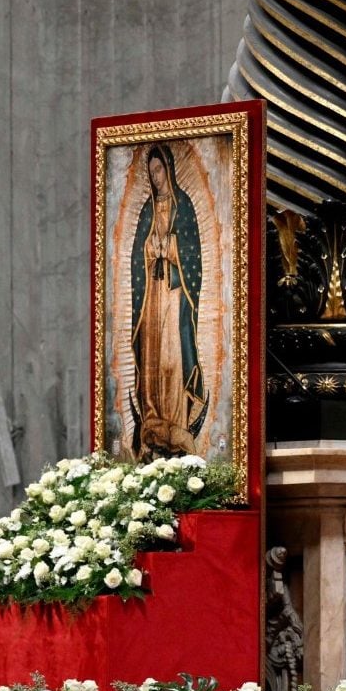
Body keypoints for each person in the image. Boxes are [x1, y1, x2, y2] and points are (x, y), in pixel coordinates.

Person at [131, 142, 209, 458]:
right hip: (152, 295)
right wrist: (151, 250)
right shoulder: (147, 210)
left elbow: (194, 255)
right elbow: (138, 255)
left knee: (172, 358)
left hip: (175, 294)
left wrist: (172, 249)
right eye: (151, 172)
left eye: (159, 170)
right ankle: (152, 422)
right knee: (152, 355)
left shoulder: (184, 205)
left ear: (169, 169)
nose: (155, 177)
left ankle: (177, 424)